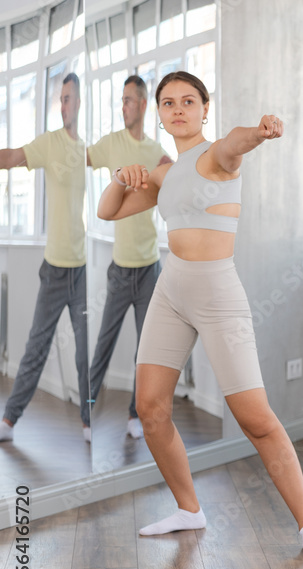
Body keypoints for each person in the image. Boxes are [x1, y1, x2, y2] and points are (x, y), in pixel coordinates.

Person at [97, 71, 303, 561]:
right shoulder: (163, 172)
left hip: (217, 292)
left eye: (189, 100)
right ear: (159, 114)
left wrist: (260, 131)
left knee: (255, 418)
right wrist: (120, 176)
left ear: (206, 107)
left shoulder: (217, 155)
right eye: (169, 103)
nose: (178, 109)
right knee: (151, 408)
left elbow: (236, 143)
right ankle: (189, 509)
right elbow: (108, 212)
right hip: (171, 289)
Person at [0, 74, 88, 443]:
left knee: (85, 351)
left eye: (69, 98)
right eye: (61, 99)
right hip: (54, 271)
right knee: (36, 347)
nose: (65, 105)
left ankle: (88, 422)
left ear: (81, 102)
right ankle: (8, 420)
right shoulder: (50, 143)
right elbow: (12, 157)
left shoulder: (86, 149)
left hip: (82, 270)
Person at [87, 75, 173, 440]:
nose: (123, 106)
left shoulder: (156, 152)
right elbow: (80, 160)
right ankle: (86, 413)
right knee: (104, 342)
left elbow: (177, 180)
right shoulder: (110, 144)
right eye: (121, 101)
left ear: (141, 105)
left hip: (150, 267)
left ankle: (134, 415)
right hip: (120, 270)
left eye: (128, 100)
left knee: (146, 349)